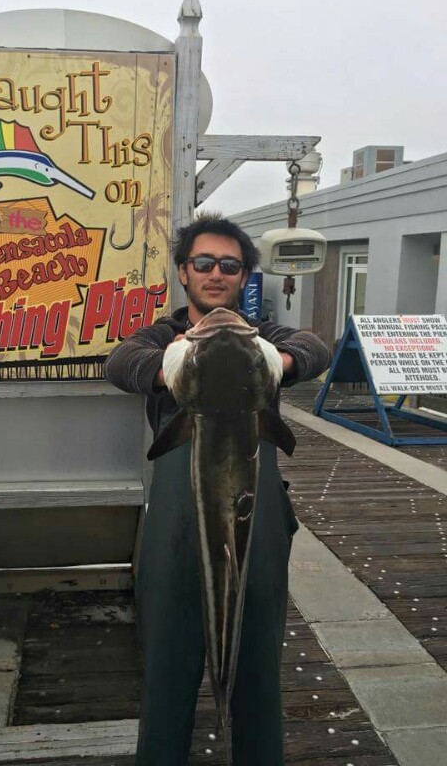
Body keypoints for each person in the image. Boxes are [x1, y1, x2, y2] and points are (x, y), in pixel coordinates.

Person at [105, 213, 330, 765]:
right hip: (175, 520)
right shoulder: (163, 334)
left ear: (244, 277)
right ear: (183, 271)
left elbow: (315, 348)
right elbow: (120, 361)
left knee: (258, 663)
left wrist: (280, 359)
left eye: (230, 266)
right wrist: (180, 367)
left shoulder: (262, 335)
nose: (215, 274)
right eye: (203, 263)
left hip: (257, 510)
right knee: (168, 662)